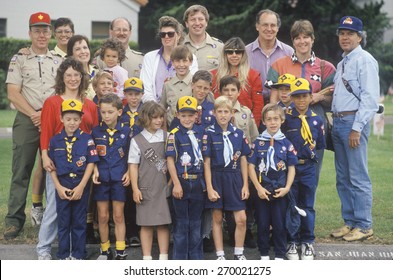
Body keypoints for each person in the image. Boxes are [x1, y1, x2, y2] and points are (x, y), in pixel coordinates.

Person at [4, 12, 62, 240]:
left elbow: (63, 89)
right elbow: (13, 93)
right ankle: (13, 221)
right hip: (27, 120)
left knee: (55, 168)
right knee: (21, 170)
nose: (41, 34)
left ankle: (55, 219)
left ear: (50, 33)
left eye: (45, 30)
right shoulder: (19, 59)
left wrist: (46, 116)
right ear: (29, 33)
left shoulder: (58, 61)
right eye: (37, 30)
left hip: (53, 121)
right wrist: (34, 115)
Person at [36, 58, 98, 260]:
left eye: (76, 75)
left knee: (79, 211)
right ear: (62, 78)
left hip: (82, 165)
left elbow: (94, 135)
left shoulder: (89, 104)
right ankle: (44, 249)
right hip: (57, 162)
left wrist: (94, 166)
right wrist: (45, 156)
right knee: (55, 207)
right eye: (68, 75)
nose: (72, 79)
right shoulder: (52, 102)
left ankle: (74, 252)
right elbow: (45, 132)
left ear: (82, 78)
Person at [266, 19, 336, 187]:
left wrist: (320, 97)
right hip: (286, 124)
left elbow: (333, 100)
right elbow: (273, 100)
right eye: (297, 37)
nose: (302, 41)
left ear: (313, 39)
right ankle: (288, 211)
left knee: (312, 172)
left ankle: (307, 210)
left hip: (314, 124)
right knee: (283, 169)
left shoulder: (325, 67)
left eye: (306, 37)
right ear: (293, 41)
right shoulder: (279, 65)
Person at [330, 16, 379, 242]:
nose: (345, 37)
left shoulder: (364, 60)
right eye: (342, 33)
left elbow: (369, 99)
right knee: (343, 177)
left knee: (358, 176)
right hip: (338, 122)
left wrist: (357, 128)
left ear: (360, 37)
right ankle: (350, 222)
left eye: (350, 33)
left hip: (353, 124)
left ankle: (364, 225)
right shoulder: (342, 62)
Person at [48, 99, 99, 260]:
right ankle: (63, 255)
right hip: (62, 186)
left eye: (76, 119)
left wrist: (82, 187)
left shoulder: (87, 139)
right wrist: (58, 187)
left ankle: (78, 255)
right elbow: (52, 167)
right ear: (61, 118)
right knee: (63, 224)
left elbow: (91, 163)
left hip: (80, 185)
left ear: (81, 119)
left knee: (79, 222)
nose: (72, 123)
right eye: (68, 119)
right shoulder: (55, 140)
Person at [281, 78, 325, 260]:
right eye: (297, 97)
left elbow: (319, 144)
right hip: (290, 168)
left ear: (310, 97)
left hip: (307, 167)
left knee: (307, 204)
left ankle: (307, 241)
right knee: (291, 204)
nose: (301, 101)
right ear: (291, 97)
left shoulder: (317, 120)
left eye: (304, 96)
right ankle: (292, 240)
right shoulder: (285, 118)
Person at [203, 96, 250, 260]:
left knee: (241, 218)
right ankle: (220, 254)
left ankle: (238, 252)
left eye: (226, 112)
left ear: (232, 113)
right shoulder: (208, 133)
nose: (223, 115)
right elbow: (206, 162)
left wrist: (245, 185)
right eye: (220, 111)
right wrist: (209, 187)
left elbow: (244, 159)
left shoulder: (238, 134)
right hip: (216, 177)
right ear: (214, 113)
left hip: (235, 177)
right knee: (217, 217)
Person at [248, 103, 297, 260]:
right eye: (269, 119)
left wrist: (287, 188)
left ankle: (280, 255)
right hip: (262, 190)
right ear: (263, 121)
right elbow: (251, 167)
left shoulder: (286, 144)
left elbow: (291, 168)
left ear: (282, 120)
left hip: (279, 190)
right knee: (262, 224)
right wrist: (258, 188)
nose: (273, 122)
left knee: (279, 224)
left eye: (276, 119)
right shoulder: (258, 143)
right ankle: (263, 255)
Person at [217, 75, 258, 249]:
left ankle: (247, 231)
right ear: (220, 92)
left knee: (244, 199)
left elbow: (253, 136)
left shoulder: (245, 112)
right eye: (225, 90)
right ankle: (229, 231)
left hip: (243, 162)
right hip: (223, 166)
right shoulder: (217, 112)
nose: (229, 93)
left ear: (239, 92)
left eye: (233, 90)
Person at [129, 101, 171, 260]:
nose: (159, 120)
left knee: (162, 223)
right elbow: (133, 166)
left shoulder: (167, 137)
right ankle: (147, 258)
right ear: (146, 118)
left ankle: (163, 256)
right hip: (145, 187)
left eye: (161, 117)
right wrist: (135, 188)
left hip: (163, 187)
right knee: (145, 223)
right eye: (155, 118)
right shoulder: (137, 140)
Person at [92, 94, 131, 260]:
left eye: (110, 112)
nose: (106, 115)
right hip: (101, 178)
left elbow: (132, 155)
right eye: (103, 112)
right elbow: (91, 154)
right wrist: (94, 169)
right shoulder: (95, 131)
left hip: (119, 178)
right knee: (102, 215)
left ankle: (121, 250)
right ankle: (105, 249)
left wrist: (129, 172)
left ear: (119, 112)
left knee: (118, 215)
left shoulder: (127, 131)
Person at [165, 96, 205, 260]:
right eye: (184, 115)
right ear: (177, 115)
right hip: (181, 181)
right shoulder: (173, 135)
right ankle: (180, 259)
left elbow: (206, 159)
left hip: (198, 182)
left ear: (197, 115)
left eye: (191, 115)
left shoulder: (202, 133)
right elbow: (170, 160)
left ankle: (196, 258)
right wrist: (176, 184)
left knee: (196, 223)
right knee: (181, 223)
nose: (187, 119)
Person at [140, 16, 198, 103]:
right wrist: (156, 109)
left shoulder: (190, 57)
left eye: (170, 34)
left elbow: (193, 86)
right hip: (154, 110)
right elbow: (145, 88)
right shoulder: (149, 57)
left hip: (183, 110)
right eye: (162, 34)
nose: (166, 37)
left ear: (178, 35)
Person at [211, 37, 264, 127]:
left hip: (243, 122)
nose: (234, 55)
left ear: (243, 54)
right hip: (218, 123)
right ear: (225, 54)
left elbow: (258, 105)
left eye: (238, 52)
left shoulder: (253, 75)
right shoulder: (214, 75)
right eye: (230, 52)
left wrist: (253, 126)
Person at [246, 9, 293, 104]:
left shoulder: (289, 52)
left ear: (278, 28)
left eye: (273, 25)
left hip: (281, 107)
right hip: (253, 104)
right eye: (265, 25)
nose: (269, 29)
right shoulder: (245, 53)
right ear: (257, 26)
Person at [120, 77, 144, 247]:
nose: (133, 97)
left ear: (142, 94)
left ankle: (140, 231)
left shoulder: (146, 112)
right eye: (130, 94)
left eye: (137, 94)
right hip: (123, 160)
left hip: (143, 160)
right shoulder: (120, 113)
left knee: (141, 195)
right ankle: (129, 232)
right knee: (127, 197)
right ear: (125, 94)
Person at [183, 4, 224, 71]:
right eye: (193, 19)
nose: (197, 23)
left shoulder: (220, 47)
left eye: (201, 19)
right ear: (187, 23)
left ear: (206, 22)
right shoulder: (179, 46)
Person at [161, 45, 194, 127]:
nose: (181, 65)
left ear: (191, 62)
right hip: (172, 129)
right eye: (177, 61)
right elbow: (162, 109)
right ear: (172, 62)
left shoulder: (196, 83)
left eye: (185, 61)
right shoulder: (167, 85)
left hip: (192, 129)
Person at [67, 35, 98, 100]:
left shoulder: (98, 73)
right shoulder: (69, 76)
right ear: (71, 54)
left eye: (85, 48)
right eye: (78, 49)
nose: (83, 52)